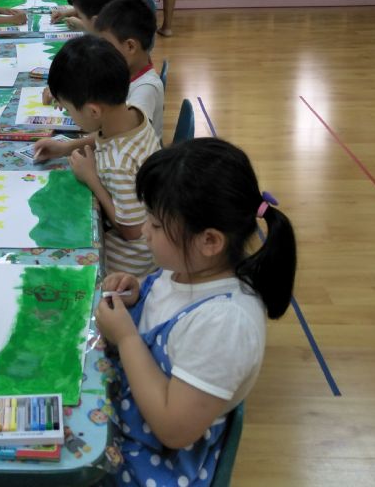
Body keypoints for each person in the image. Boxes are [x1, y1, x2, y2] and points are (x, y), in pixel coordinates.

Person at [95, 138, 297, 486]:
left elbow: (174, 430)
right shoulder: (186, 269)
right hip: (118, 415)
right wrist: (137, 290)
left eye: (156, 225)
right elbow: (167, 299)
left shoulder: (225, 325)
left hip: (149, 462)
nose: (144, 232)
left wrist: (126, 338)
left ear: (209, 241)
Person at [37, 36, 159, 276]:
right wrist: (66, 147)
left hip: (125, 266)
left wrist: (91, 178)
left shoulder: (119, 164)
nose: (69, 115)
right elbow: (104, 137)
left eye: (69, 110)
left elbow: (131, 231)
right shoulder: (133, 114)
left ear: (93, 111)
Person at [94, 0, 164, 139]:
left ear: (130, 46)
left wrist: (66, 147)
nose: (102, 52)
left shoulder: (146, 89)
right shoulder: (126, 71)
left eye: (107, 46)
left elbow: (120, 133)